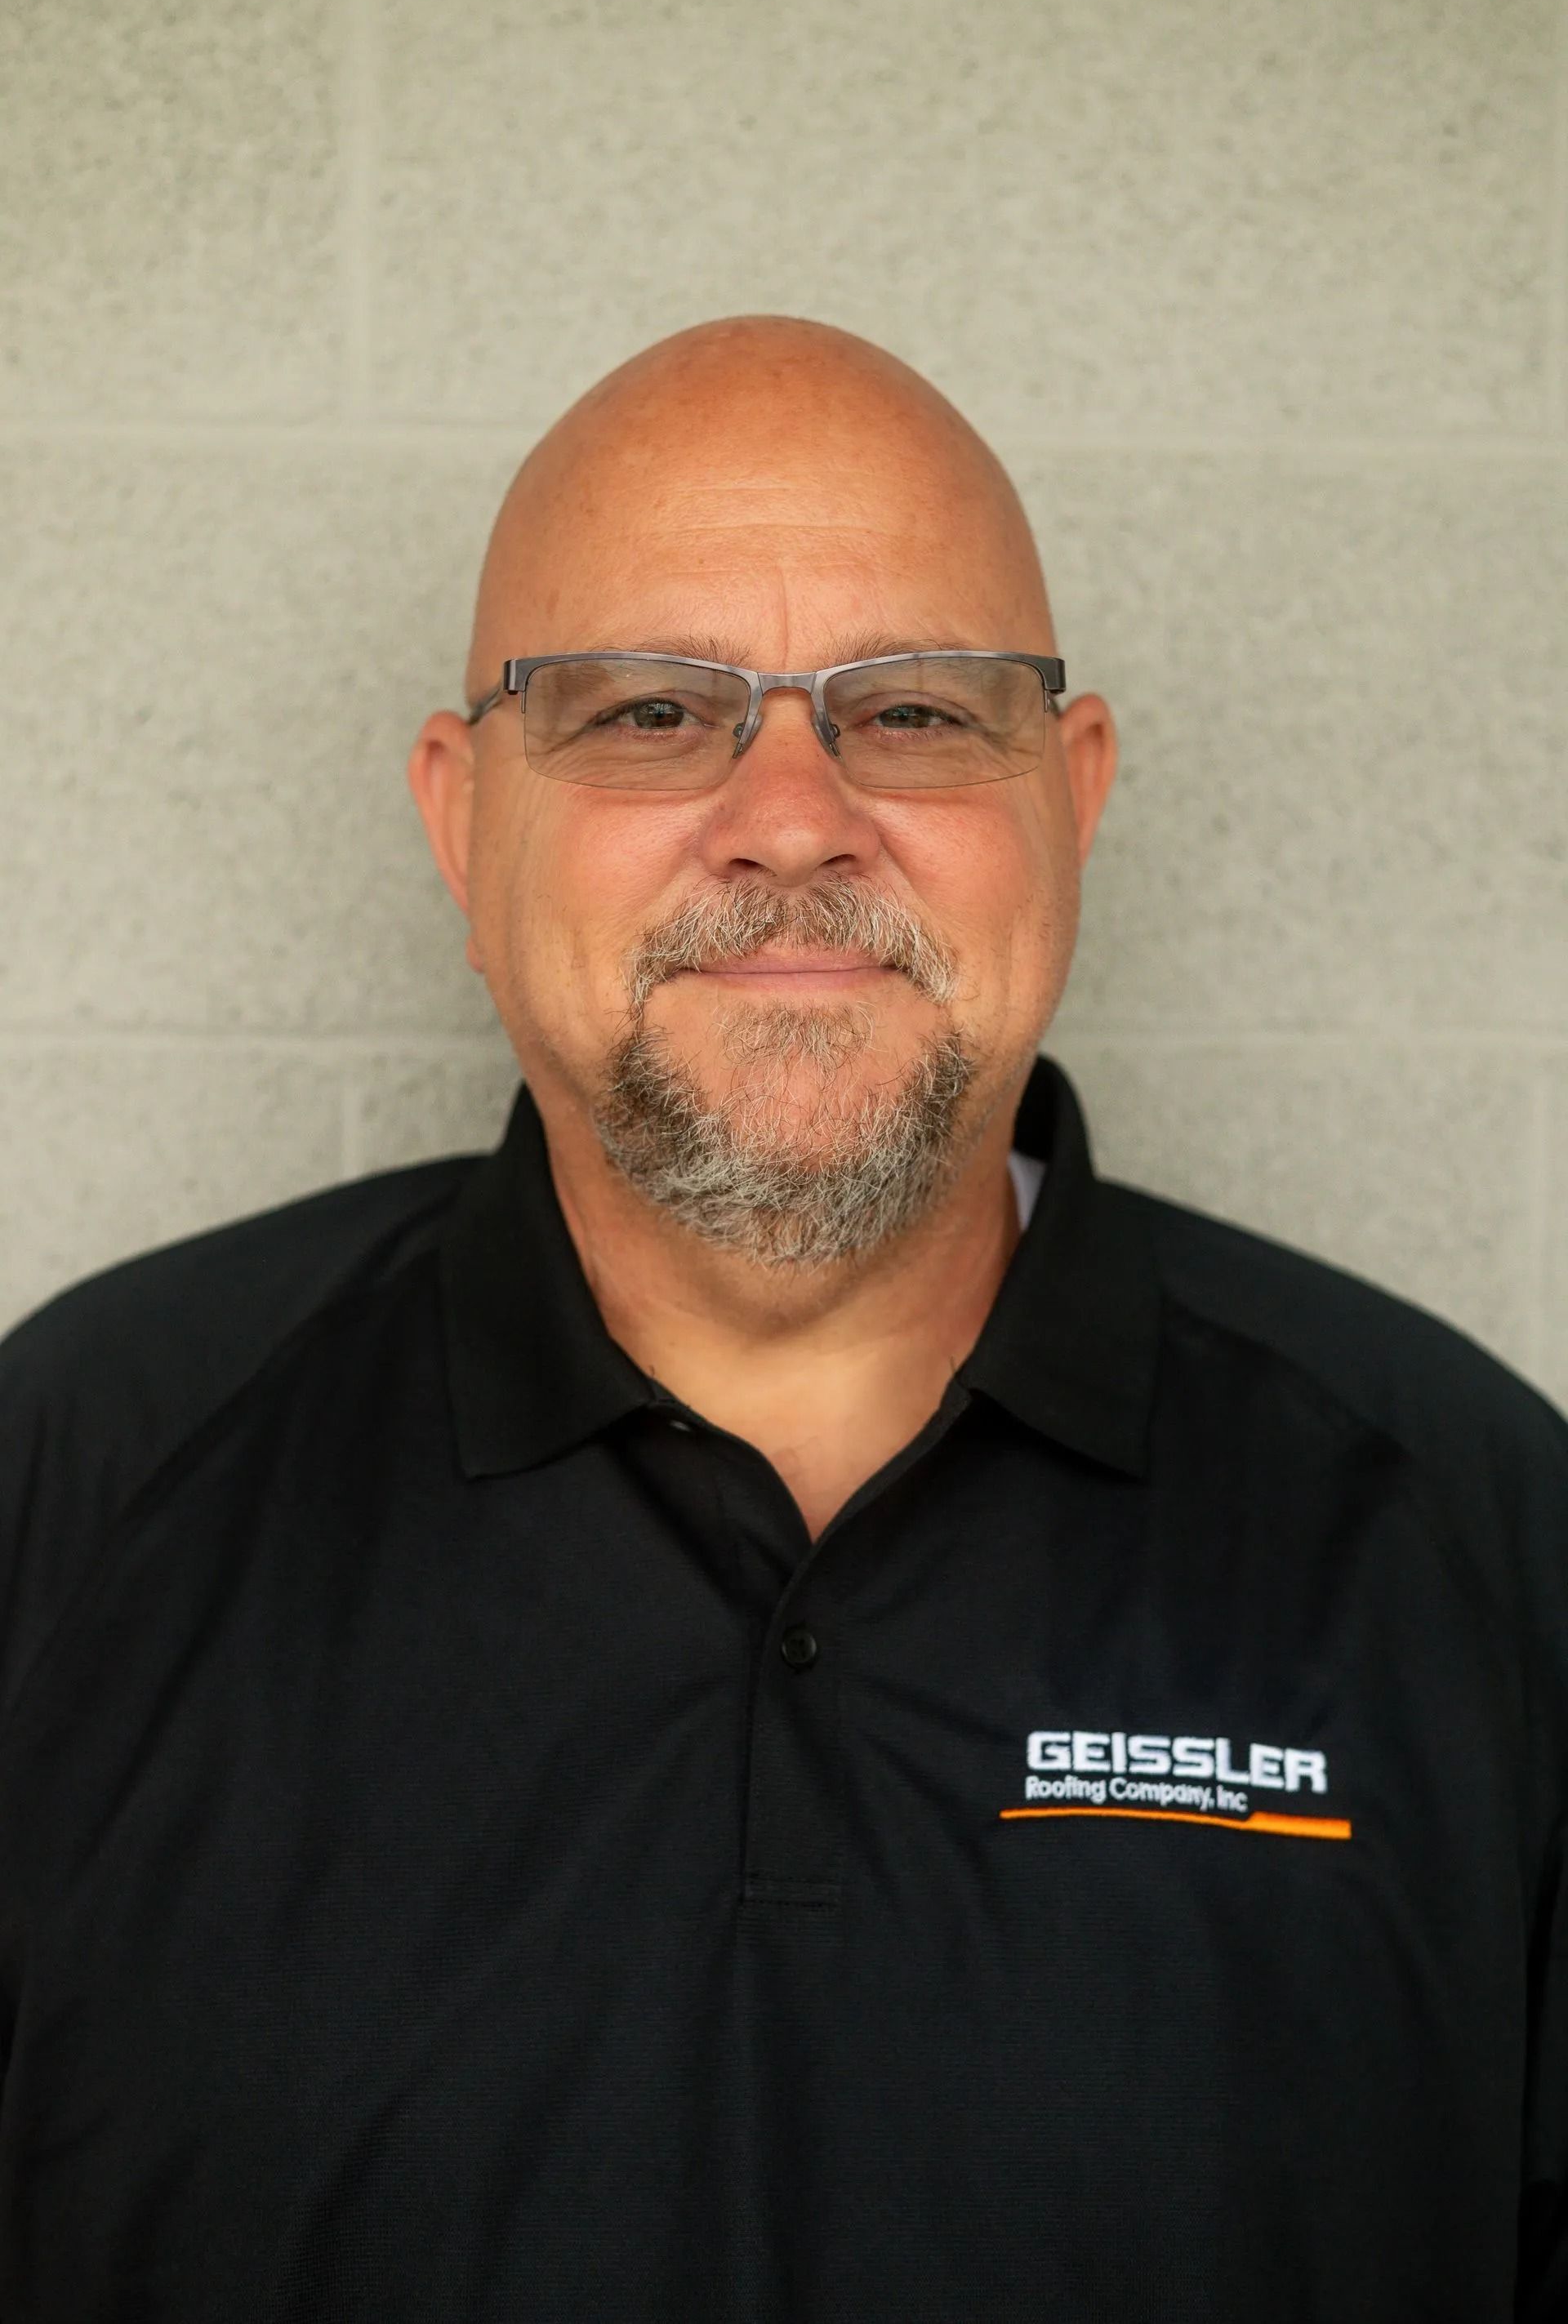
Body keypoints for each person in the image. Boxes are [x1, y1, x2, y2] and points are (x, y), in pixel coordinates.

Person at [0, 315, 1564, 2324]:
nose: (795, 816)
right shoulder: (79, 1494)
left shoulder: (1475, 1535)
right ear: (462, 816)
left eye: (913, 711)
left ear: (1072, 796)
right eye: (652, 712)